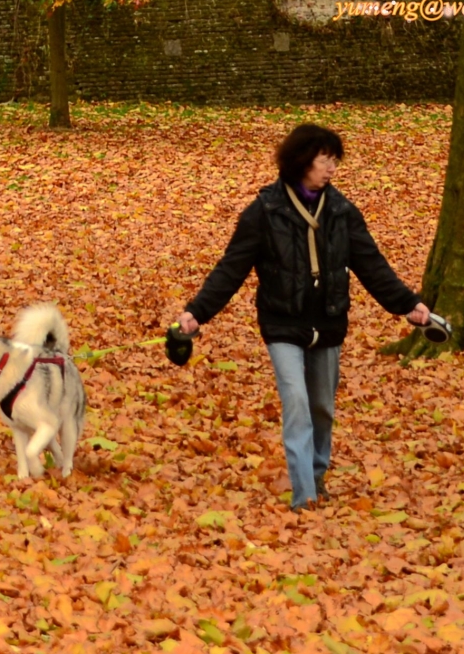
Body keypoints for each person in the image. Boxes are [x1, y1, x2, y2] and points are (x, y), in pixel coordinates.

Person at [178, 122, 432, 509]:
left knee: (322, 408)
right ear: (301, 161)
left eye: (334, 161)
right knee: (296, 401)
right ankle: (304, 495)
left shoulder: (342, 212)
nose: (331, 168)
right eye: (324, 160)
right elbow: (231, 268)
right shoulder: (264, 211)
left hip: (328, 323)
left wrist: (407, 304)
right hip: (283, 324)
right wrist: (197, 312)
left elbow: (372, 265)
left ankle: (317, 473)